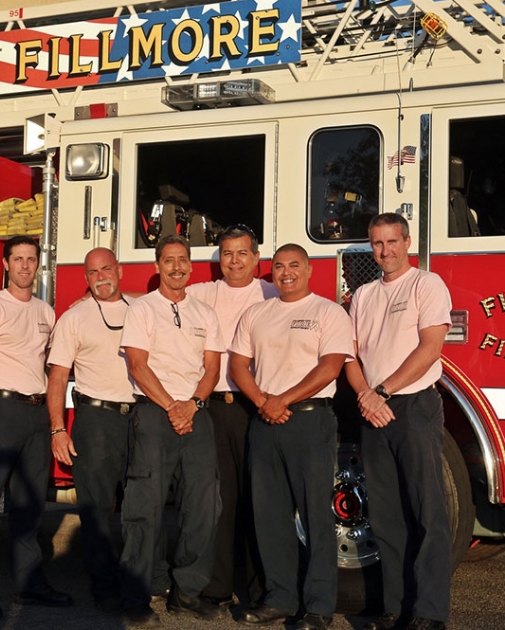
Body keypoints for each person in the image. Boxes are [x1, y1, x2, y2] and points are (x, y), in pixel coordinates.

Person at [229, 243, 353, 630]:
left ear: (309, 269)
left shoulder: (328, 312)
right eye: (279, 266)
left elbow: (331, 367)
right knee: (269, 516)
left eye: (294, 265)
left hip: (310, 421)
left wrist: (281, 399)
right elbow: (238, 364)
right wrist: (264, 401)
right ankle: (279, 598)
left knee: (316, 515)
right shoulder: (256, 313)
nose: (286, 273)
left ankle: (318, 607)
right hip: (265, 421)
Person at [0, 234, 73, 621]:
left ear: (38, 264)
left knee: (29, 504)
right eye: (17, 259)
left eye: (31, 259)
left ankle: (29, 584)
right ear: (5, 264)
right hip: (1, 410)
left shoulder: (46, 311)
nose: (24, 265)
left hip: (37, 414)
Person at [344, 213, 453, 630]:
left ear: (407, 242)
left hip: (412, 407)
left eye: (392, 242)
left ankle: (429, 612)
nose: (384, 251)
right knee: (386, 515)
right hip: (373, 410)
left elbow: (430, 348)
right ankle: (395, 604)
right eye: (376, 244)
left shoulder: (427, 285)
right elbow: (350, 355)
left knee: (427, 511)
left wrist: (382, 392)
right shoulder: (364, 295)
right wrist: (365, 397)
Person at [118, 234, 223, 627]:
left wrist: (192, 406)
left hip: (196, 415)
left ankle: (187, 592)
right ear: (157, 266)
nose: (176, 267)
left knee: (204, 506)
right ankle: (136, 595)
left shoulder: (205, 313)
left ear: (191, 266)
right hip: (154, 416)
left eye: (183, 260)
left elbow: (212, 367)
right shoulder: (142, 309)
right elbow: (138, 365)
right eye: (168, 260)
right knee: (144, 507)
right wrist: (172, 407)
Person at [186, 224, 277, 609]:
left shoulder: (273, 293)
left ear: (257, 258)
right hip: (215, 408)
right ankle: (219, 586)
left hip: (255, 407)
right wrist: (107, 299)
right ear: (219, 260)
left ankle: (260, 591)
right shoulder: (203, 293)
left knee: (259, 499)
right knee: (220, 501)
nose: (234, 261)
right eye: (227, 253)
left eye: (242, 253)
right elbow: (159, 301)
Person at [47, 247, 134, 610]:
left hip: (140, 417)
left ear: (120, 271)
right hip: (96, 419)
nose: (101, 277)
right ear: (85, 279)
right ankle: (104, 587)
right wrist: (57, 429)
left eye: (107, 269)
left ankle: (137, 579)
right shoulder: (74, 318)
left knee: (140, 505)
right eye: (93, 273)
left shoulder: (141, 310)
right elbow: (57, 377)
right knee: (96, 509)